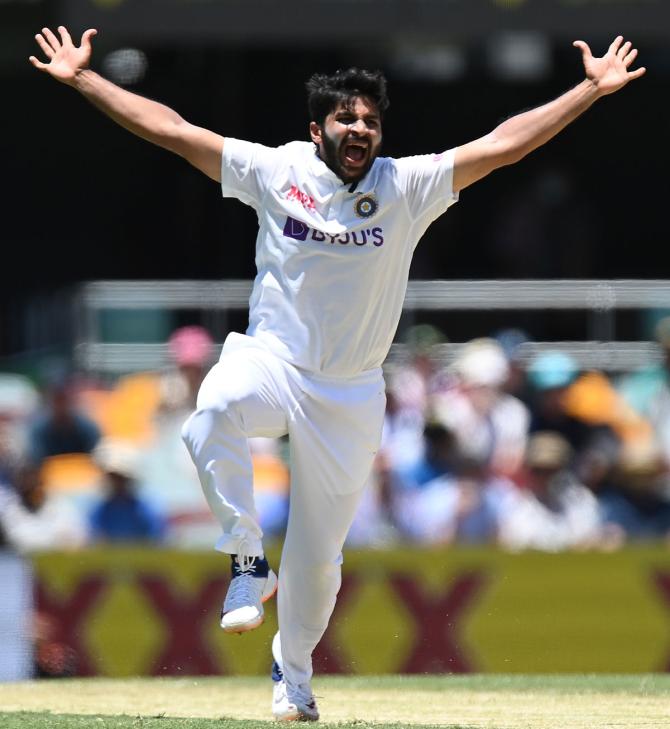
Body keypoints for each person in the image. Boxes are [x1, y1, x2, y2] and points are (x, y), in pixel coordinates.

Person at [29, 26, 645, 720]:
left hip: (349, 390)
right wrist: (84, 80)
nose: (360, 129)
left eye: (371, 121)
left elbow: (502, 146)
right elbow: (174, 130)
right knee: (214, 407)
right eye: (346, 118)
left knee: (320, 559)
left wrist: (590, 89)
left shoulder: (405, 185)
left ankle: (293, 678)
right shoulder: (274, 170)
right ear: (316, 129)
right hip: (273, 360)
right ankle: (243, 556)